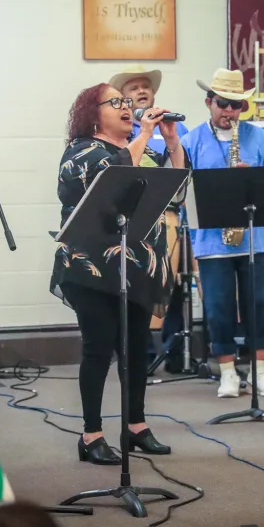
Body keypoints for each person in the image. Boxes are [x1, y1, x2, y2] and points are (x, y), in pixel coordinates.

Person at [50, 83, 184, 464]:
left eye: (127, 102)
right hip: (92, 267)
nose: (127, 107)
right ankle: (91, 435)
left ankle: (136, 426)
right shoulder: (81, 152)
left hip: (137, 267)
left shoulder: (144, 151)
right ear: (93, 114)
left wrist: (171, 141)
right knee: (99, 347)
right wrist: (144, 134)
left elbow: (176, 192)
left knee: (136, 349)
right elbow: (111, 178)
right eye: (116, 102)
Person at [179, 68, 264, 399]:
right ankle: (227, 371)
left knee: (259, 304)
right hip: (212, 240)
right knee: (218, 307)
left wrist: (254, 177)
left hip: (255, 239)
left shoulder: (260, 138)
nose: (229, 111)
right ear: (208, 102)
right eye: (223, 104)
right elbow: (179, 190)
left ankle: (259, 371)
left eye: (236, 105)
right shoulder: (191, 140)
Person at [108, 65, 190, 371]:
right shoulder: (121, 132)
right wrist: (143, 132)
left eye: (146, 86)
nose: (142, 91)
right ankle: (138, 356)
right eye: (134, 87)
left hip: (169, 219)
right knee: (132, 291)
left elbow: (182, 181)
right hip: (128, 227)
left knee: (175, 286)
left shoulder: (172, 129)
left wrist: (171, 139)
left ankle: (175, 354)